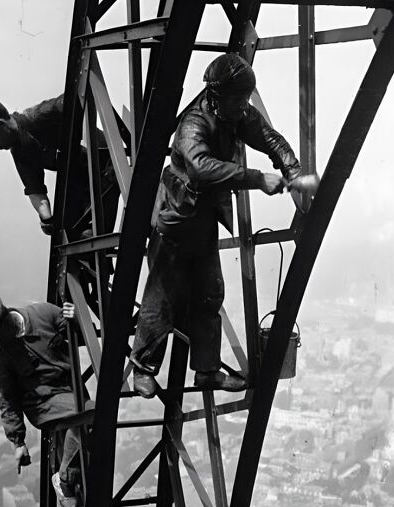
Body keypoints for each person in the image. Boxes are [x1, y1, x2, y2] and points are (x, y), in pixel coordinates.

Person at [130, 53, 303, 398]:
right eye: (238, 100)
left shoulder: (233, 113)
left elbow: (268, 137)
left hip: (203, 222)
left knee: (210, 295)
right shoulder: (193, 125)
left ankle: (207, 371)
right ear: (218, 95)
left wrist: (292, 169)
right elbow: (201, 168)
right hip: (175, 224)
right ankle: (143, 370)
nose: (244, 107)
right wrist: (257, 179)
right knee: (161, 299)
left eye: (245, 100)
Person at [0, 292, 134, 507]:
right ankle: (66, 480)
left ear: (6, 321)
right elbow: (7, 399)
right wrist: (18, 442)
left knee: (92, 451)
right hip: (43, 404)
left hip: (72, 393)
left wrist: (76, 319)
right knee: (92, 418)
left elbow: (81, 338)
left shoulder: (42, 313)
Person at [0, 94, 116, 237]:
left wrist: (84, 135)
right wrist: (47, 219)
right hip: (80, 179)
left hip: (105, 163)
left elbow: (79, 96)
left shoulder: (38, 115)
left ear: (1, 125)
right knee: (73, 238)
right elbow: (36, 191)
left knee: (89, 236)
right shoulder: (21, 152)